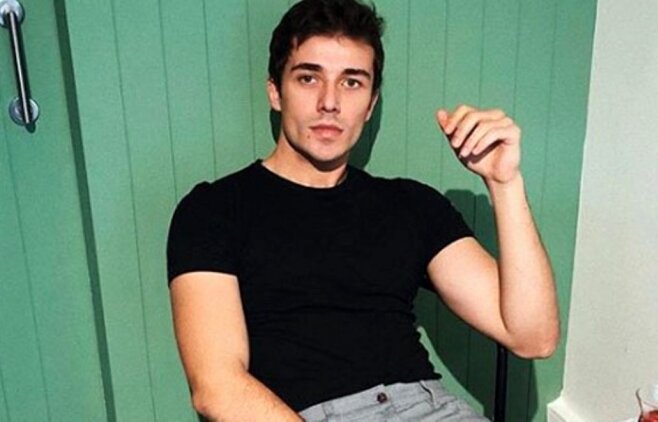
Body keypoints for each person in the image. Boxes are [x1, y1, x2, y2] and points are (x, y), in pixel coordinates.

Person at [166, 0, 559, 420]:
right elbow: (217, 386)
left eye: (351, 82)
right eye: (308, 78)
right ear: (276, 92)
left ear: (370, 104)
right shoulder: (213, 209)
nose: (329, 102)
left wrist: (504, 183)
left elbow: (532, 337)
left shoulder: (411, 205)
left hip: (431, 409)